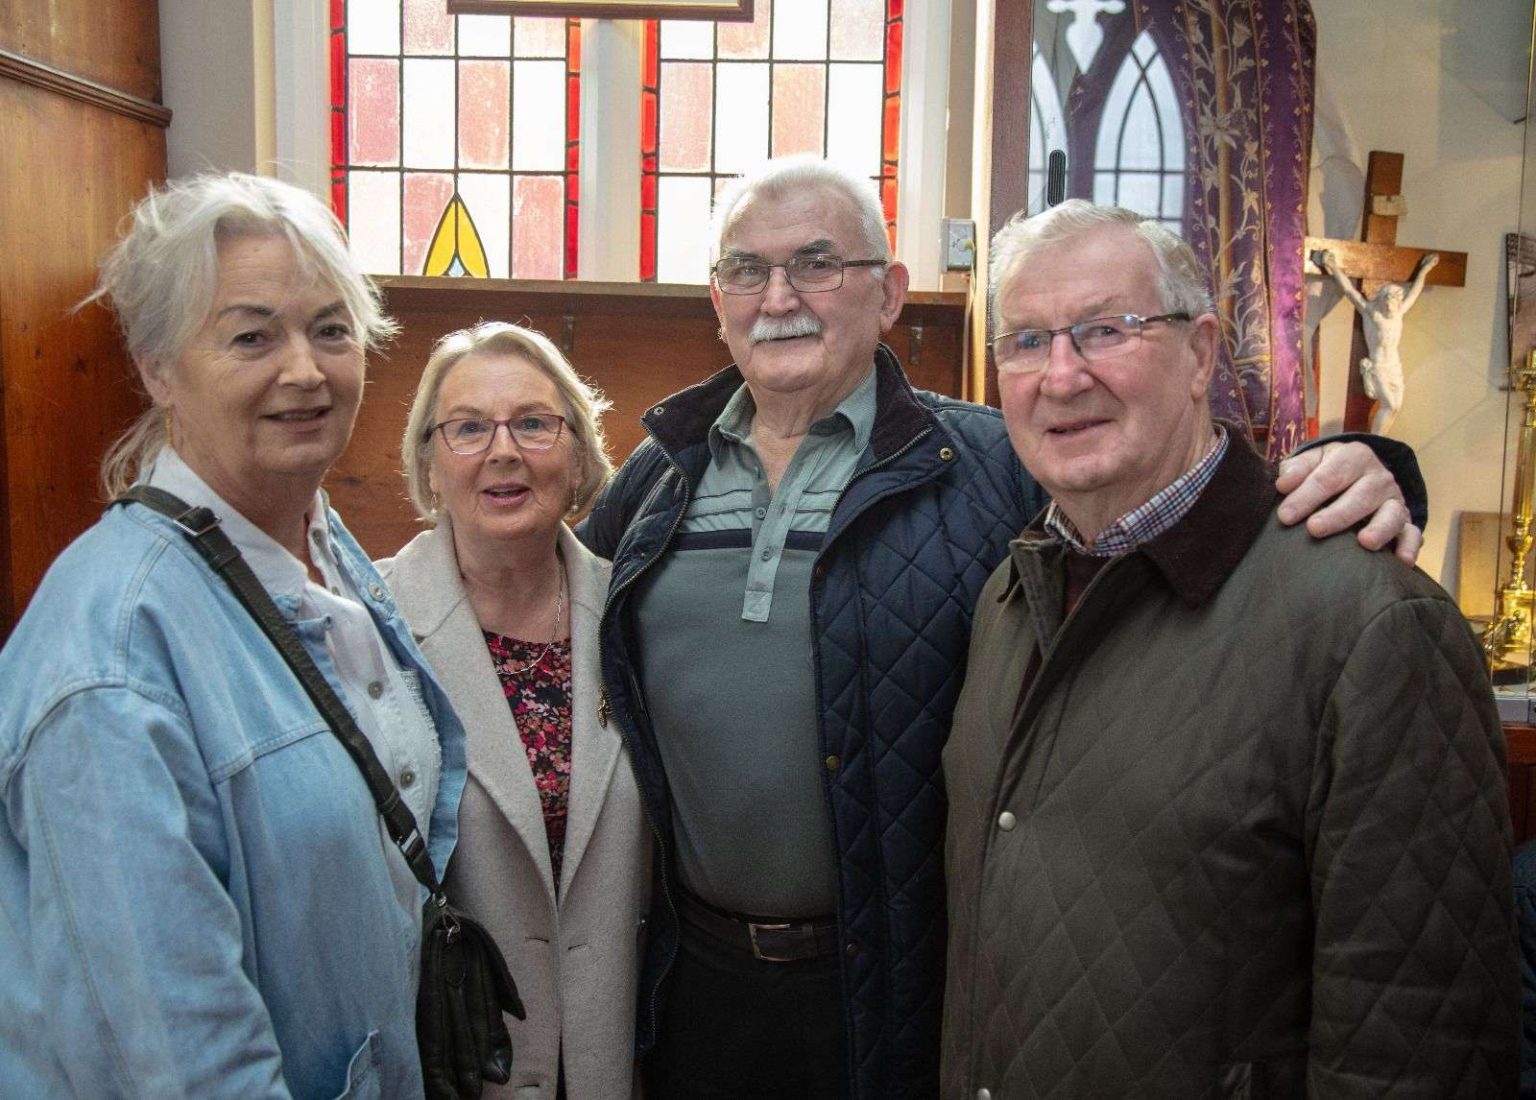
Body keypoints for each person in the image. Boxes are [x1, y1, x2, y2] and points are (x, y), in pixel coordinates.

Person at [580, 155, 1429, 1098]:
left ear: (890, 294)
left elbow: (1162, 505)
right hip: (694, 975)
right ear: (718, 300)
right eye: (747, 270)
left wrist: (1362, 468)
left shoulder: (991, 460)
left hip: (910, 983)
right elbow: (542, 604)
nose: (780, 298)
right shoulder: (660, 475)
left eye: (817, 264)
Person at [941, 200, 1515, 1097]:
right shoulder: (1010, 595)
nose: (1060, 375)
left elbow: (1419, 1034)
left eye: (1105, 330)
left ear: (1201, 353)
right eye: (1026, 341)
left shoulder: (1374, 625)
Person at [0, 173, 467, 1096]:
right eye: (252, 336)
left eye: (330, 329)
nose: (305, 371)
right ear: (157, 367)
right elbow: (178, 1059)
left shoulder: (319, 541)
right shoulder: (111, 661)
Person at [377, 321, 649, 1099]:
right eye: (468, 428)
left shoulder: (636, 612)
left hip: (615, 1056)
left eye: (533, 423)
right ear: (430, 466)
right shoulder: (368, 627)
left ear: (578, 457)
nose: (504, 451)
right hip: (453, 1066)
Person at [1318, 247, 1439, 434]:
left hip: (1394, 366)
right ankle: (1376, 442)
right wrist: (1332, 266)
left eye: (1395, 302)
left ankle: (1382, 441)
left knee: (1396, 407)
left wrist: (1425, 269)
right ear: (1382, 301)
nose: (1392, 306)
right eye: (1388, 301)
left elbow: (1414, 292)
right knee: (1389, 405)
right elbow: (1349, 290)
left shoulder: (1398, 314)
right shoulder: (1371, 313)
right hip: (1379, 366)